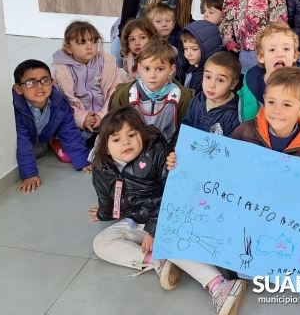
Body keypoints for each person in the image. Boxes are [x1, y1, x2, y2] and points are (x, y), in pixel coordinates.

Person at [90, 108, 245, 315]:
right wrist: (103, 213)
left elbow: (171, 195)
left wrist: (154, 231)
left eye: (132, 135)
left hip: (168, 217)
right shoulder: (102, 168)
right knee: (101, 243)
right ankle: (157, 261)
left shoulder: (157, 154)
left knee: (171, 243)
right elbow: (108, 198)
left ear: (142, 135)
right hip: (137, 220)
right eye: (116, 139)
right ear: (107, 148)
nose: (126, 143)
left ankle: (219, 284)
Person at [12, 59, 91, 193]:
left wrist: (82, 160)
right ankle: (52, 141)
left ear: (52, 82)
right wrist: (29, 174)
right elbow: (22, 142)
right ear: (18, 89)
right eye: (31, 83)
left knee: (79, 138)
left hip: (44, 135)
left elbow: (70, 131)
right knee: (29, 151)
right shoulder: (16, 109)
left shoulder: (60, 102)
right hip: (29, 141)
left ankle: (53, 139)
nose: (40, 87)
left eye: (45, 80)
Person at [236, 22, 300, 138]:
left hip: (297, 145)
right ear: (261, 57)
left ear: (295, 56)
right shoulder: (250, 86)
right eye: (272, 50)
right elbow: (243, 117)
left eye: (286, 49)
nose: (280, 54)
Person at [52, 21, 123, 143]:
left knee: (123, 129)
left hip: (106, 114)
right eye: (82, 42)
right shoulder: (62, 71)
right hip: (78, 117)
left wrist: (102, 115)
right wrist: (82, 117)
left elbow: (115, 91)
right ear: (68, 47)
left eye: (94, 41)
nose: (90, 46)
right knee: (71, 133)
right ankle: (58, 141)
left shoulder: (107, 64)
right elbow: (61, 100)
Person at [110, 40, 194, 143]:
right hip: (132, 149)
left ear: (171, 70)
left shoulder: (183, 97)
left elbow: (185, 132)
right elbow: (113, 128)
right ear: (139, 68)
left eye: (159, 69)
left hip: (168, 151)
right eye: (147, 69)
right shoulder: (124, 94)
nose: (152, 75)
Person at [180, 51, 241, 137]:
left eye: (220, 80)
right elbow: (186, 128)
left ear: (233, 84)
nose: (211, 85)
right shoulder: (197, 100)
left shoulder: (234, 113)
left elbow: (228, 146)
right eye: (208, 77)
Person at [174, 20, 224, 94]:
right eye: (185, 48)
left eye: (194, 49)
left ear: (208, 48)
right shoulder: (185, 67)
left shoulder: (210, 76)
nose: (188, 54)